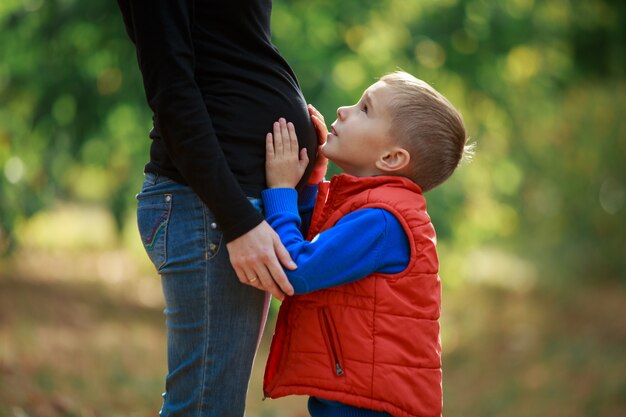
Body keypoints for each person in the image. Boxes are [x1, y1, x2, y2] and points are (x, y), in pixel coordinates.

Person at [117, 1, 318, 416]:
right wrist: (238, 222)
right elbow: (171, 90)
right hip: (209, 208)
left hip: (229, 206)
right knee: (205, 408)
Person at [261, 71, 473, 417]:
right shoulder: (375, 210)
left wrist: (281, 191)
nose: (344, 110)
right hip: (360, 398)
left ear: (391, 159)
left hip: (369, 407)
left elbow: (297, 269)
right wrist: (312, 177)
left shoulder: (383, 221)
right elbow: (319, 243)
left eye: (364, 109)